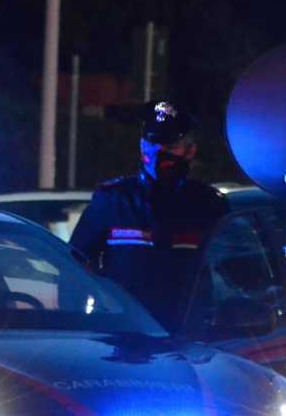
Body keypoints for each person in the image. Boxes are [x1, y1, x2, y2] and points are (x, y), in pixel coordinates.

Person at [70, 100, 229, 327]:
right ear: (142, 145)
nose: (158, 153)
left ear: (190, 151)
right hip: (126, 332)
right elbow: (77, 264)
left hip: (190, 333)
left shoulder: (207, 204)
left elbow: (233, 272)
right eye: (153, 143)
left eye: (170, 145)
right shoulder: (114, 200)